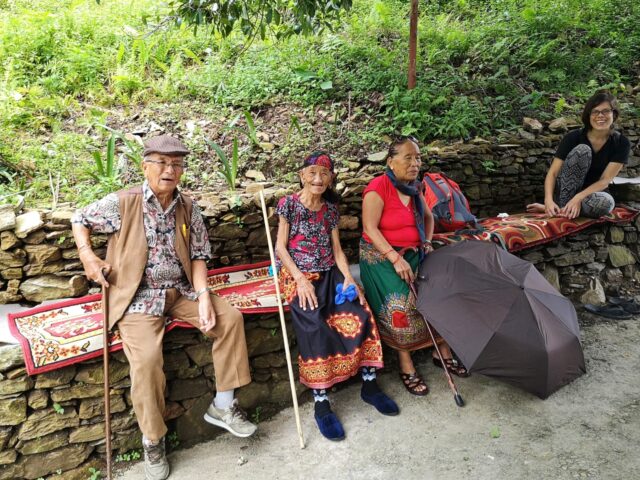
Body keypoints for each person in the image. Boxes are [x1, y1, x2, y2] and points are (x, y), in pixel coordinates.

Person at [72, 135, 256, 480]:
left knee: (229, 317)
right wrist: (88, 256)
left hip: (182, 289)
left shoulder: (188, 207)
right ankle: (153, 439)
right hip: (137, 296)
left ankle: (223, 405)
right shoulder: (124, 202)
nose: (170, 170)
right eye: (162, 162)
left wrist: (202, 296)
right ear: (145, 166)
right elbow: (79, 218)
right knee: (146, 362)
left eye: (177, 164)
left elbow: (199, 255)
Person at [275, 151, 398, 441]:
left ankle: (369, 386)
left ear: (331, 179)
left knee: (360, 314)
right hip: (299, 276)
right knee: (315, 327)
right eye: (313, 173)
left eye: (325, 174)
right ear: (302, 175)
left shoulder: (330, 209)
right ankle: (321, 404)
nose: (318, 179)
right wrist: (300, 279)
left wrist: (347, 278)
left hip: (330, 273)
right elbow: (281, 248)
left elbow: (338, 250)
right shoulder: (288, 205)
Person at [359, 136, 469, 397]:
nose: (414, 163)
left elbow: (428, 218)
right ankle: (406, 364)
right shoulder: (378, 188)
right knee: (402, 306)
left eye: (417, 157)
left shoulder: (415, 188)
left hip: (414, 253)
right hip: (381, 258)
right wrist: (395, 258)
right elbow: (369, 229)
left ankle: (441, 350)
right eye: (407, 157)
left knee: (437, 296)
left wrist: (428, 243)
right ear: (391, 161)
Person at [526, 91, 630, 219]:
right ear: (589, 114)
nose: (600, 115)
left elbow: (605, 181)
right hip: (566, 193)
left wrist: (578, 198)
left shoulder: (621, 143)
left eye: (606, 111)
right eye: (595, 111)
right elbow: (552, 173)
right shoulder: (573, 137)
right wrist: (548, 200)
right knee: (582, 150)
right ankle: (562, 206)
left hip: (591, 195)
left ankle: (560, 210)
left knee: (607, 203)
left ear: (614, 114)